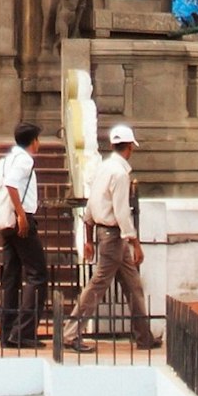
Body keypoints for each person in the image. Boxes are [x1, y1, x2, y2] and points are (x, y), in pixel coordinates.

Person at [59, 119, 156, 352]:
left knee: (133, 286)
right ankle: (70, 334)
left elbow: (92, 205)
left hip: (108, 234)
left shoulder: (103, 168)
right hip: (114, 236)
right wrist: (136, 243)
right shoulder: (120, 175)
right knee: (97, 285)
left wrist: (89, 237)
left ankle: (144, 336)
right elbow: (122, 213)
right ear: (130, 147)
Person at [0, 123, 47, 348]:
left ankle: (8, 332)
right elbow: (11, 184)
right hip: (20, 220)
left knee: (11, 276)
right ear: (33, 141)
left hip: (4, 222)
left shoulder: (5, 161)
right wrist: (21, 215)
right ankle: (23, 332)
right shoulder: (24, 160)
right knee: (37, 274)